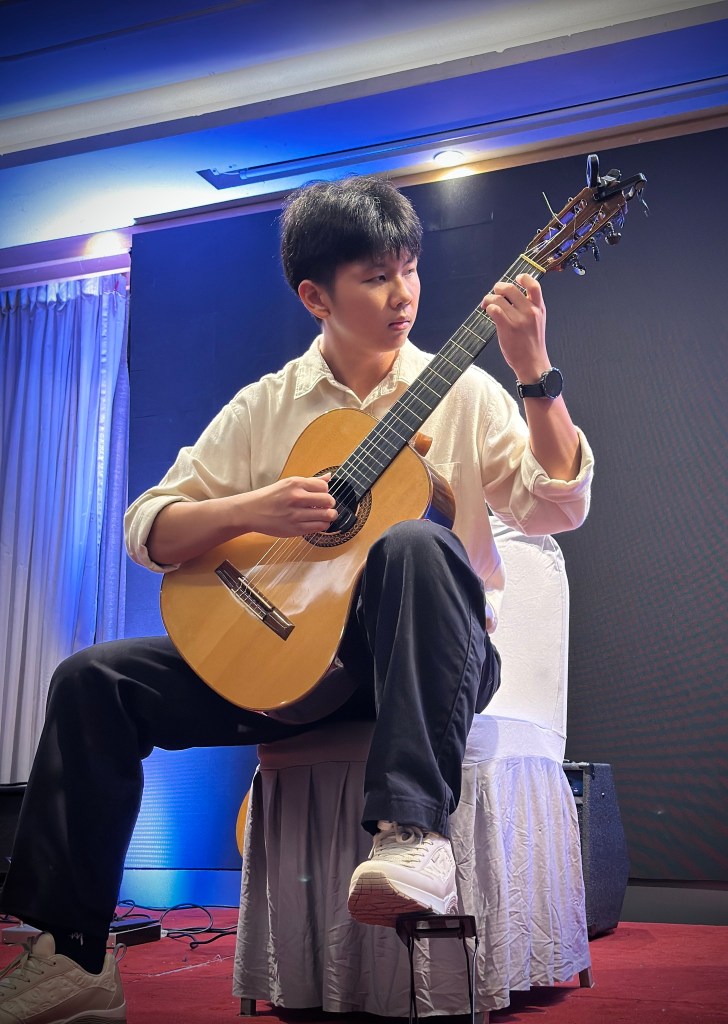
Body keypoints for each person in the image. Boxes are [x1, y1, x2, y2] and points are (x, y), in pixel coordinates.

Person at [0, 175, 593, 1023]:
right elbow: (147, 528)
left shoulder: (463, 391)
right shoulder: (267, 406)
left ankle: (412, 835)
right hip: (298, 668)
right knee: (93, 680)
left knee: (412, 542)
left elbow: (557, 506)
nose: (404, 294)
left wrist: (534, 370)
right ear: (316, 296)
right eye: (376, 277)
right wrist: (256, 508)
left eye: (410, 269)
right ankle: (73, 955)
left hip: (427, 662)